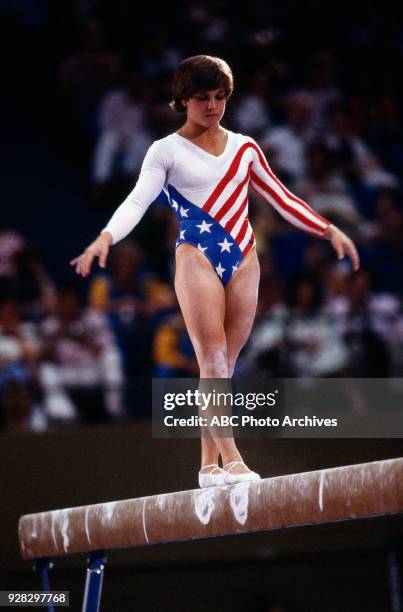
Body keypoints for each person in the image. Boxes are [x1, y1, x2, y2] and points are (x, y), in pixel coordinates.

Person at [70, 55, 360, 488]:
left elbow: (281, 198)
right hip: (197, 255)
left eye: (220, 97)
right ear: (182, 99)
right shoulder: (165, 150)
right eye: (202, 98)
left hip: (244, 257)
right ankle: (234, 459)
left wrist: (328, 228)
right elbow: (137, 201)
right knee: (213, 358)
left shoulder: (245, 147)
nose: (212, 106)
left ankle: (207, 467)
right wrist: (106, 237)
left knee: (223, 370)